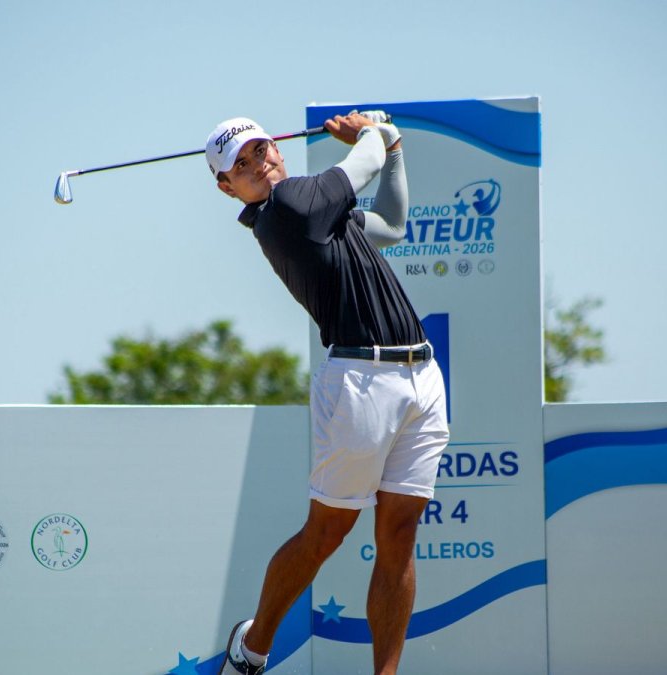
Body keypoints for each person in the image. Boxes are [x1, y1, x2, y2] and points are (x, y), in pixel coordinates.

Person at [207, 111, 449, 675]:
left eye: (260, 149)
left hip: (421, 375)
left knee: (399, 533)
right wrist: (373, 132)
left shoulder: (321, 213)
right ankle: (253, 647)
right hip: (360, 383)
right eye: (239, 165)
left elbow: (391, 223)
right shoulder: (288, 208)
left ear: (277, 149)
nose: (256, 163)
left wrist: (394, 150)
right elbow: (359, 164)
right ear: (227, 188)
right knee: (327, 532)